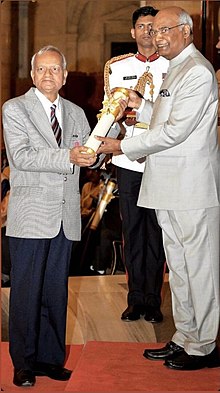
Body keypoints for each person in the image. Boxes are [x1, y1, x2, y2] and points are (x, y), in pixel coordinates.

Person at [97, 6, 220, 371]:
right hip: (169, 185)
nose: (158, 35)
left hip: (191, 188)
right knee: (179, 269)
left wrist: (121, 146)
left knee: (200, 269)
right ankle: (185, 337)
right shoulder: (177, 68)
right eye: (154, 30)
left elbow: (175, 131)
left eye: (166, 29)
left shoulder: (197, 71)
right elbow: (164, 116)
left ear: (187, 31)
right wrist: (141, 104)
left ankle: (206, 345)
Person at [2, 45, 96, 387]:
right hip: (30, 216)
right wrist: (71, 156)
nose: (47, 75)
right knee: (26, 293)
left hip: (65, 216)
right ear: (32, 74)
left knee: (55, 292)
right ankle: (23, 363)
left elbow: (92, 153)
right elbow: (23, 156)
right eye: (41, 69)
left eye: (54, 69)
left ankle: (50, 359)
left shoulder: (76, 113)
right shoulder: (15, 109)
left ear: (65, 75)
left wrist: (100, 150)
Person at [103, 6, 168, 323]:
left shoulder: (173, 66)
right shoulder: (117, 68)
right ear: (132, 32)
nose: (146, 31)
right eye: (141, 26)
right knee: (132, 231)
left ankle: (153, 300)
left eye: (152, 26)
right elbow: (109, 115)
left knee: (156, 232)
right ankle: (135, 299)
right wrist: (98, 145)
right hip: (127, 159)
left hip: (162, 161)